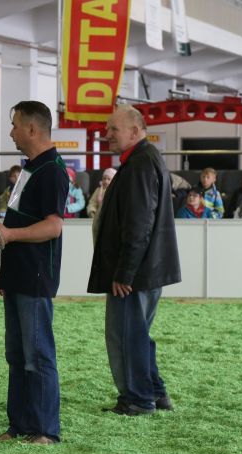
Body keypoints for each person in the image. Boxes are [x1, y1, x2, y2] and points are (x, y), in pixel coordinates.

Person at [88, 104, 181, 415]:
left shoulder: (139, 165)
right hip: (148, 269)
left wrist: (124, 273)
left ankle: (138, 400)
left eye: (113, 129)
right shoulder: (144, 159)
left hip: (135, 274)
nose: (107, 134)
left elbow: (138, 224)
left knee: (126, 336)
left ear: (135, 130)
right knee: (138, 334)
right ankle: (155, 393)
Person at [0, 100, 69, 445]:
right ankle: (19, 425)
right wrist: (3, 274)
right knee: (17, 356)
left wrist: (9, 235)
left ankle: (46, 430)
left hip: (35, 276)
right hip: (19, 275)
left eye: (16, 125)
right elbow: (20, 219)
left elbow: (53, 227)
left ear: (32, 129)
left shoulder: (51, 171)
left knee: (37, 356)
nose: (12, 132)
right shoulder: (33, 168)